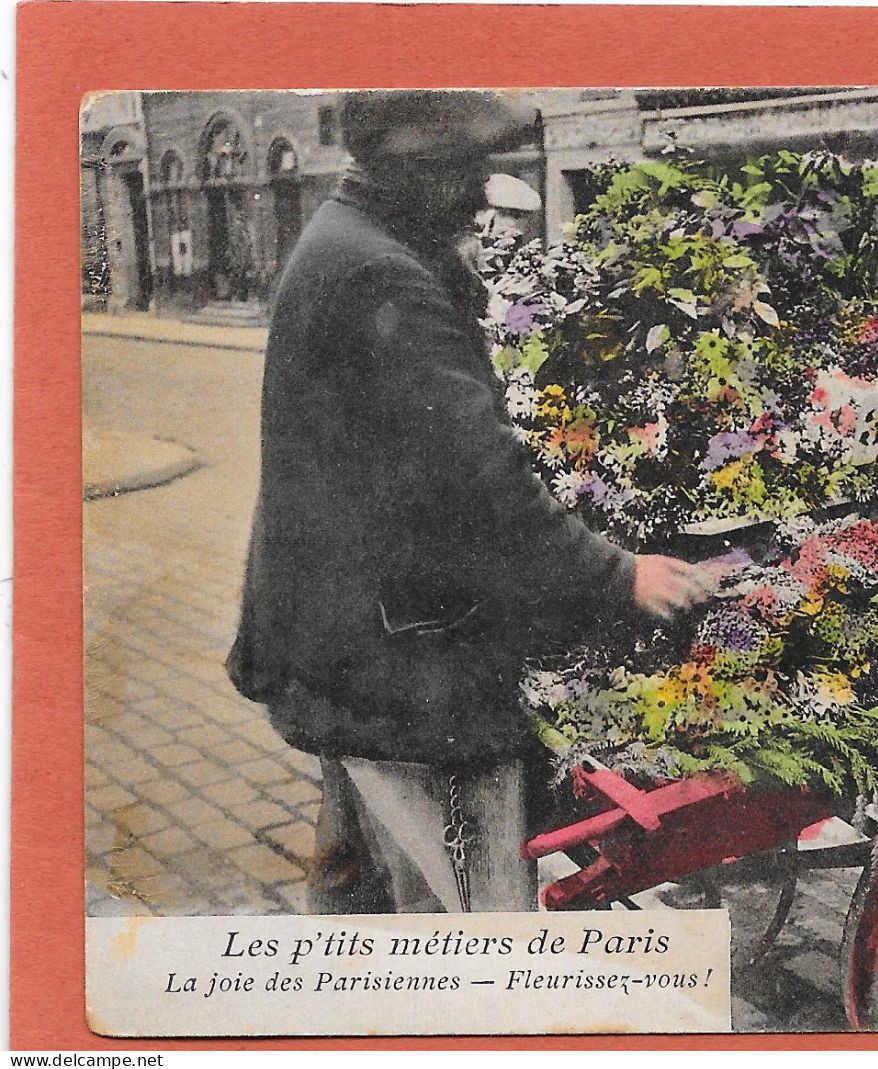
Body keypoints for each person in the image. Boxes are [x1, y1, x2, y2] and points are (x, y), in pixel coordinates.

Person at [228, 90, 713, 914]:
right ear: (417, 168)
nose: (481, 189)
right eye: (465, 169)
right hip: (407, 666)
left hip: (341, 645)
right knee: (475, 921)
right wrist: (615, 575)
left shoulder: (350, 240)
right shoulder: (381, 273)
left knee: (362, 895)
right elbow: (476, 482)